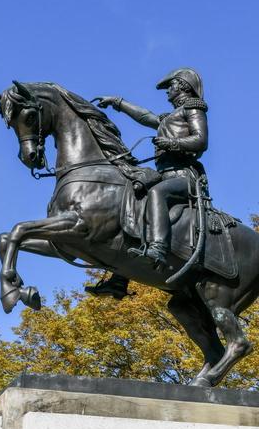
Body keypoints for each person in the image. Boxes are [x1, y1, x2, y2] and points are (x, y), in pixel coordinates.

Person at [85, 68, 208, 298]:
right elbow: (145, 116)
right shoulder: (169, 118)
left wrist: (171, 144)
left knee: (156, 194)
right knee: (131, 200)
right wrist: (118, 102)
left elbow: (201, 141)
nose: (167, 92)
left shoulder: (193, 109)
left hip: (184, 177)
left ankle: (158, 249)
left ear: (182, 86)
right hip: (164, 175)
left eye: (170, 86)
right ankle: (120, 279)